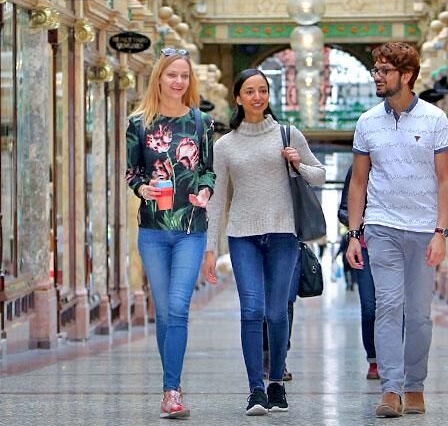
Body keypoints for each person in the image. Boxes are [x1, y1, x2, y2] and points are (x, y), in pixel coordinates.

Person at [201, 69, 325, 416]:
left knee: (276, 311)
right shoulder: (224, 145)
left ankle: (276, 385)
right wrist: (210, 249)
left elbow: (319, 174)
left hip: (284, 235)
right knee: (252, 311)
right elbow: (217, 198)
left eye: (263, 90)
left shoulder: (288, 134)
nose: (257, 96)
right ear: (238, 98)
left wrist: (297, 162)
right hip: (243, 237)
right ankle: (256, 390)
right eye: (250, 91)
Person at [345, 42, 448, 418]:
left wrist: (441, 232)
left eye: (384, 70)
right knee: (388, 307)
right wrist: (354, 234)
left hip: (424, 231)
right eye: (375, 70)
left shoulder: (436, 120)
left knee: (420, 314)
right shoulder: (366, 122)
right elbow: (358, 183)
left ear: (406, 75)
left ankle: (415, 384)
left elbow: (445, 181)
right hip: (382, 227)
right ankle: (391, 389)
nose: (377, 76)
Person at [126, 48, 215, 419]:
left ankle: (171, 391)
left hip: (191, 230)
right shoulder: (139, 123)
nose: (178, 81)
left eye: (184, 75)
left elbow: (209, 169)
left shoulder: (201, 122)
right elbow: (132, 171)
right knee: (164, 313)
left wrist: (206, 190)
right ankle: (171, 384)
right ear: (159, 78)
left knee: (178, 307)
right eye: (171, 75)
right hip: (152, 231)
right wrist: (141, 188)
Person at [338, 164, 379, 380]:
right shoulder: (358, 167)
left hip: (396, 244)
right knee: (370, 307)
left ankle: (394, 358)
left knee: (397, 305)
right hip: (365, 245)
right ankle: (374, 360)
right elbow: (343, 209)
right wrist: (358, 222)